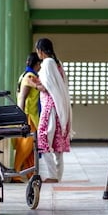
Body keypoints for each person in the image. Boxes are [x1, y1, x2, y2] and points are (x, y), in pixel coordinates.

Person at [32, 38, 72, 183]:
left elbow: (47, 88)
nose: (38, 53)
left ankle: (52, 175)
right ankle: (57, 175)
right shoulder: (57, 63)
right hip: (59, 106)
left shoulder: (47, 63)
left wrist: (35, 85)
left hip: (50, 107)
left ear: (41, 50)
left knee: (42, 138)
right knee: (57, 142)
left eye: (38, 50)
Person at [12, 52, 41, 183]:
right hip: (28, 117)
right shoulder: (30, 77)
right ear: (37, 64)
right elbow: (23, 97)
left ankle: (29, 173)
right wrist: (21, 117)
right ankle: (16, 173)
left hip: (29, 116)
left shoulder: (23, 75)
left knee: (30, 149)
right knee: (25, 148)